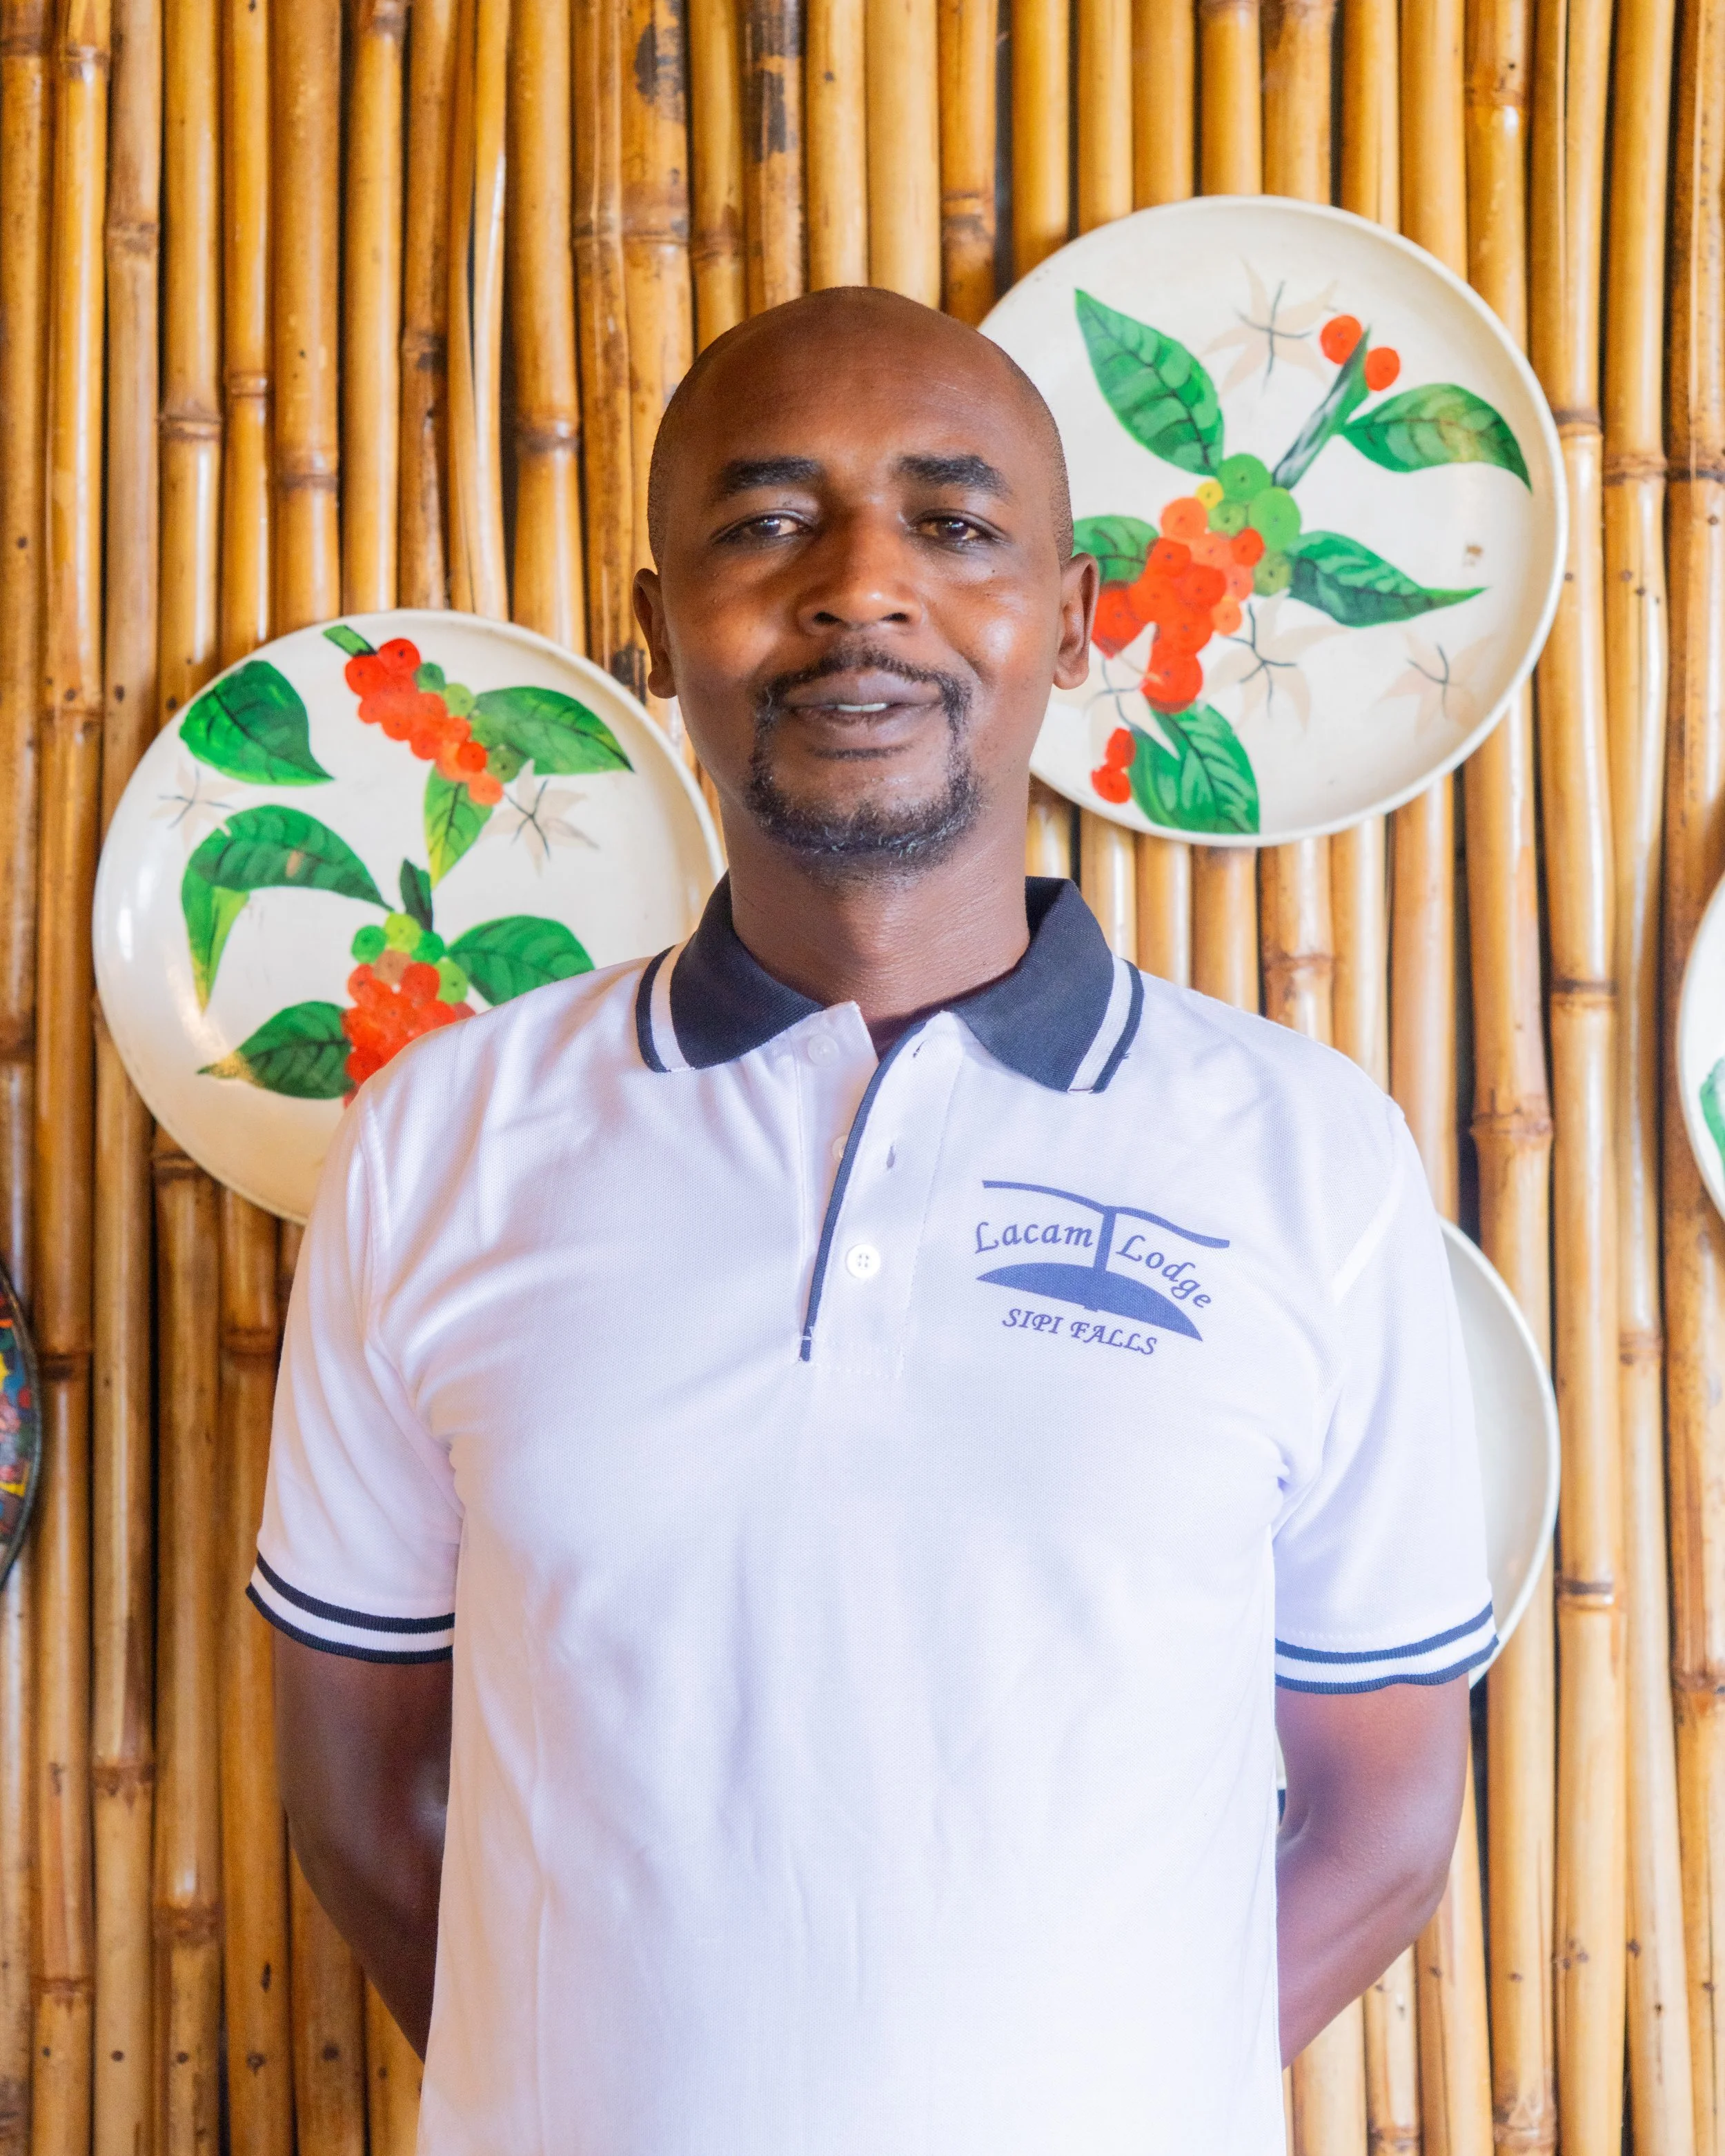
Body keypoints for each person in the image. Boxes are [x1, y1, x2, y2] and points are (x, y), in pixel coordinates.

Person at [255, 285, 1492, 2155]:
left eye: (955, 523)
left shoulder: (1303, 1160)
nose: (858, 586)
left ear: (1071, 622)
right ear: (656, 628)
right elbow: (357, 1794)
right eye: (764, 526)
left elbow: (1385, 1820)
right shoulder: (446, 1138)